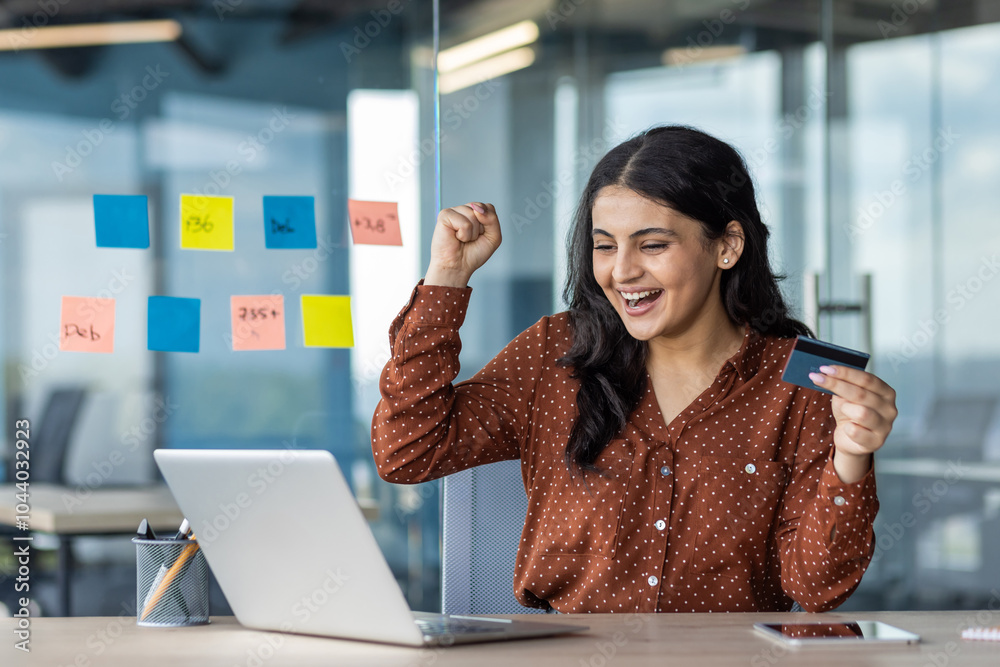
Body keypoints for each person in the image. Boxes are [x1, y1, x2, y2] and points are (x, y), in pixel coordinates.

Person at [371, 125, 896, 613]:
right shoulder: (556, 352)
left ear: (728, 246)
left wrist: (851, 457)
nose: (622, 271)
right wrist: (447, 278)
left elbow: (817, 586)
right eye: (604, 246)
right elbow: (407, 451)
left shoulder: (802, 381)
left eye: (653, 245)